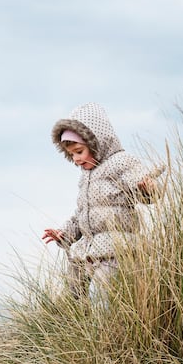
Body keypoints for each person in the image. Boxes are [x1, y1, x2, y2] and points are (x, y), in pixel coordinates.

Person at [42, 102, 161, 303]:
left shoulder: (120, 162)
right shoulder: (87, 176)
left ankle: (107, 322)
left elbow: (144, 188)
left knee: (104, 296)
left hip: (115, 249)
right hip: (88, 250)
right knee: (73, 292)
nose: (76, 159)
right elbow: (81, 214)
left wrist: (147, 188)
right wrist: (64, 234)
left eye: (79, 151)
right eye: (71, 155)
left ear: (96, 142)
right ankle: (75, 320)